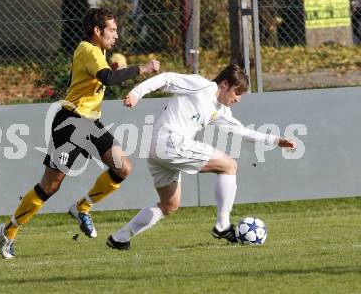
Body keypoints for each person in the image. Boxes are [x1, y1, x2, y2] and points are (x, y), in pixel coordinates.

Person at [0, 8, 160, 259]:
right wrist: (142, 68)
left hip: (90, 123)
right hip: (70, 123)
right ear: (97, 30)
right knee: (50, 186)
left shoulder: (100, 50)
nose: (116, 35)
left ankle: (82, 207)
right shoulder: (87, 49)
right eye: (112, 30)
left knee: (122, 167)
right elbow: (108, 77)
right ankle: (8, 231)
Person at [106, 64, 296, 250]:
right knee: (229, 165)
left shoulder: (221, 110)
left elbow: (242, 132)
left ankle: (119, 238)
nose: (238, 99)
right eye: (237, 92)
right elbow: (167, 78)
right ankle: (222, 225)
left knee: (169, 205)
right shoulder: (202, 85)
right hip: (170, 141)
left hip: (158, 148)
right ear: (224, 85)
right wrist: (137, 92)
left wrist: (276, 140)